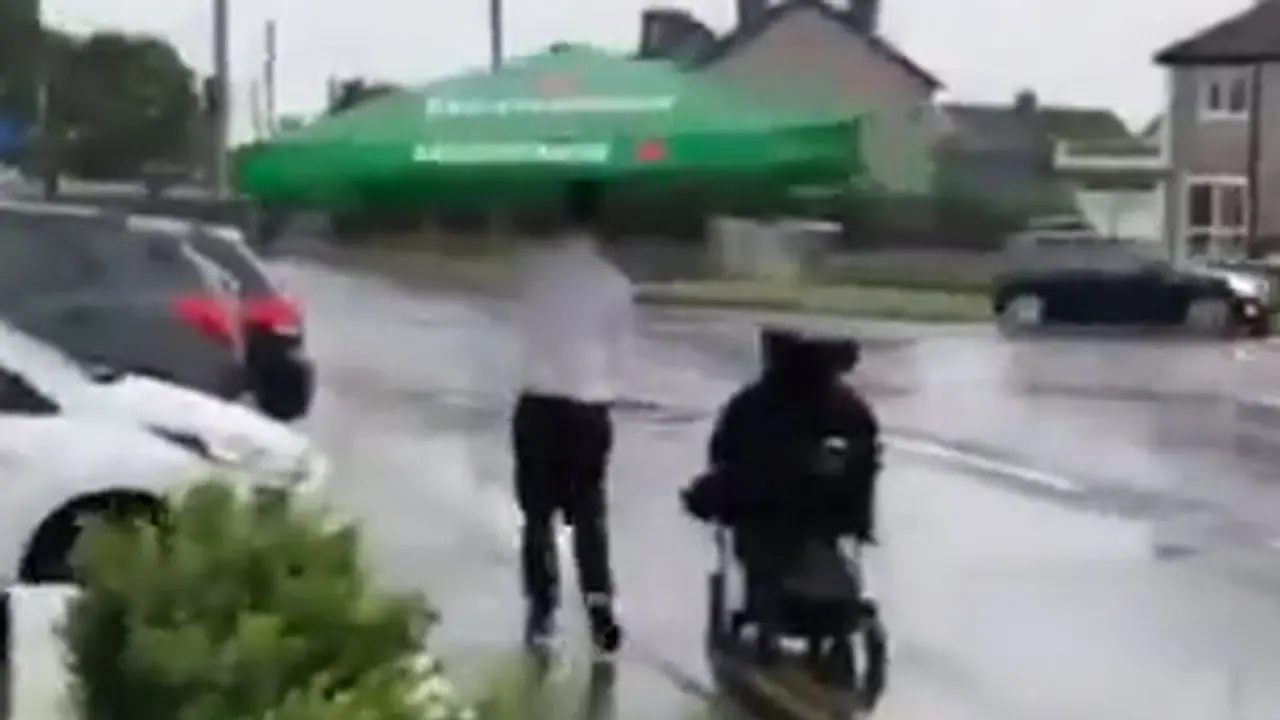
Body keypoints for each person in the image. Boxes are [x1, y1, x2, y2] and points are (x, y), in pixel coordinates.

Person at [682, 327, 881, 656]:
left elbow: (725, 461)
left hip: (765, 519)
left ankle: (765, 620)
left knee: (755, 539)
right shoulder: (853, 411)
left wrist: (703, 498)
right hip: (827, 523)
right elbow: (866, 467)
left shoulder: (751, 405)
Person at [510, 180, 631, 655]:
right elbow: (622, 358)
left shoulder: (534, 274)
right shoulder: (615, 284)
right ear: (600, 222)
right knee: (589, 515)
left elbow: (524, 330)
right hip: (587, 409)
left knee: (537, 515)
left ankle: (543, 612)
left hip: (538, 405)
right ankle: (599, 606)